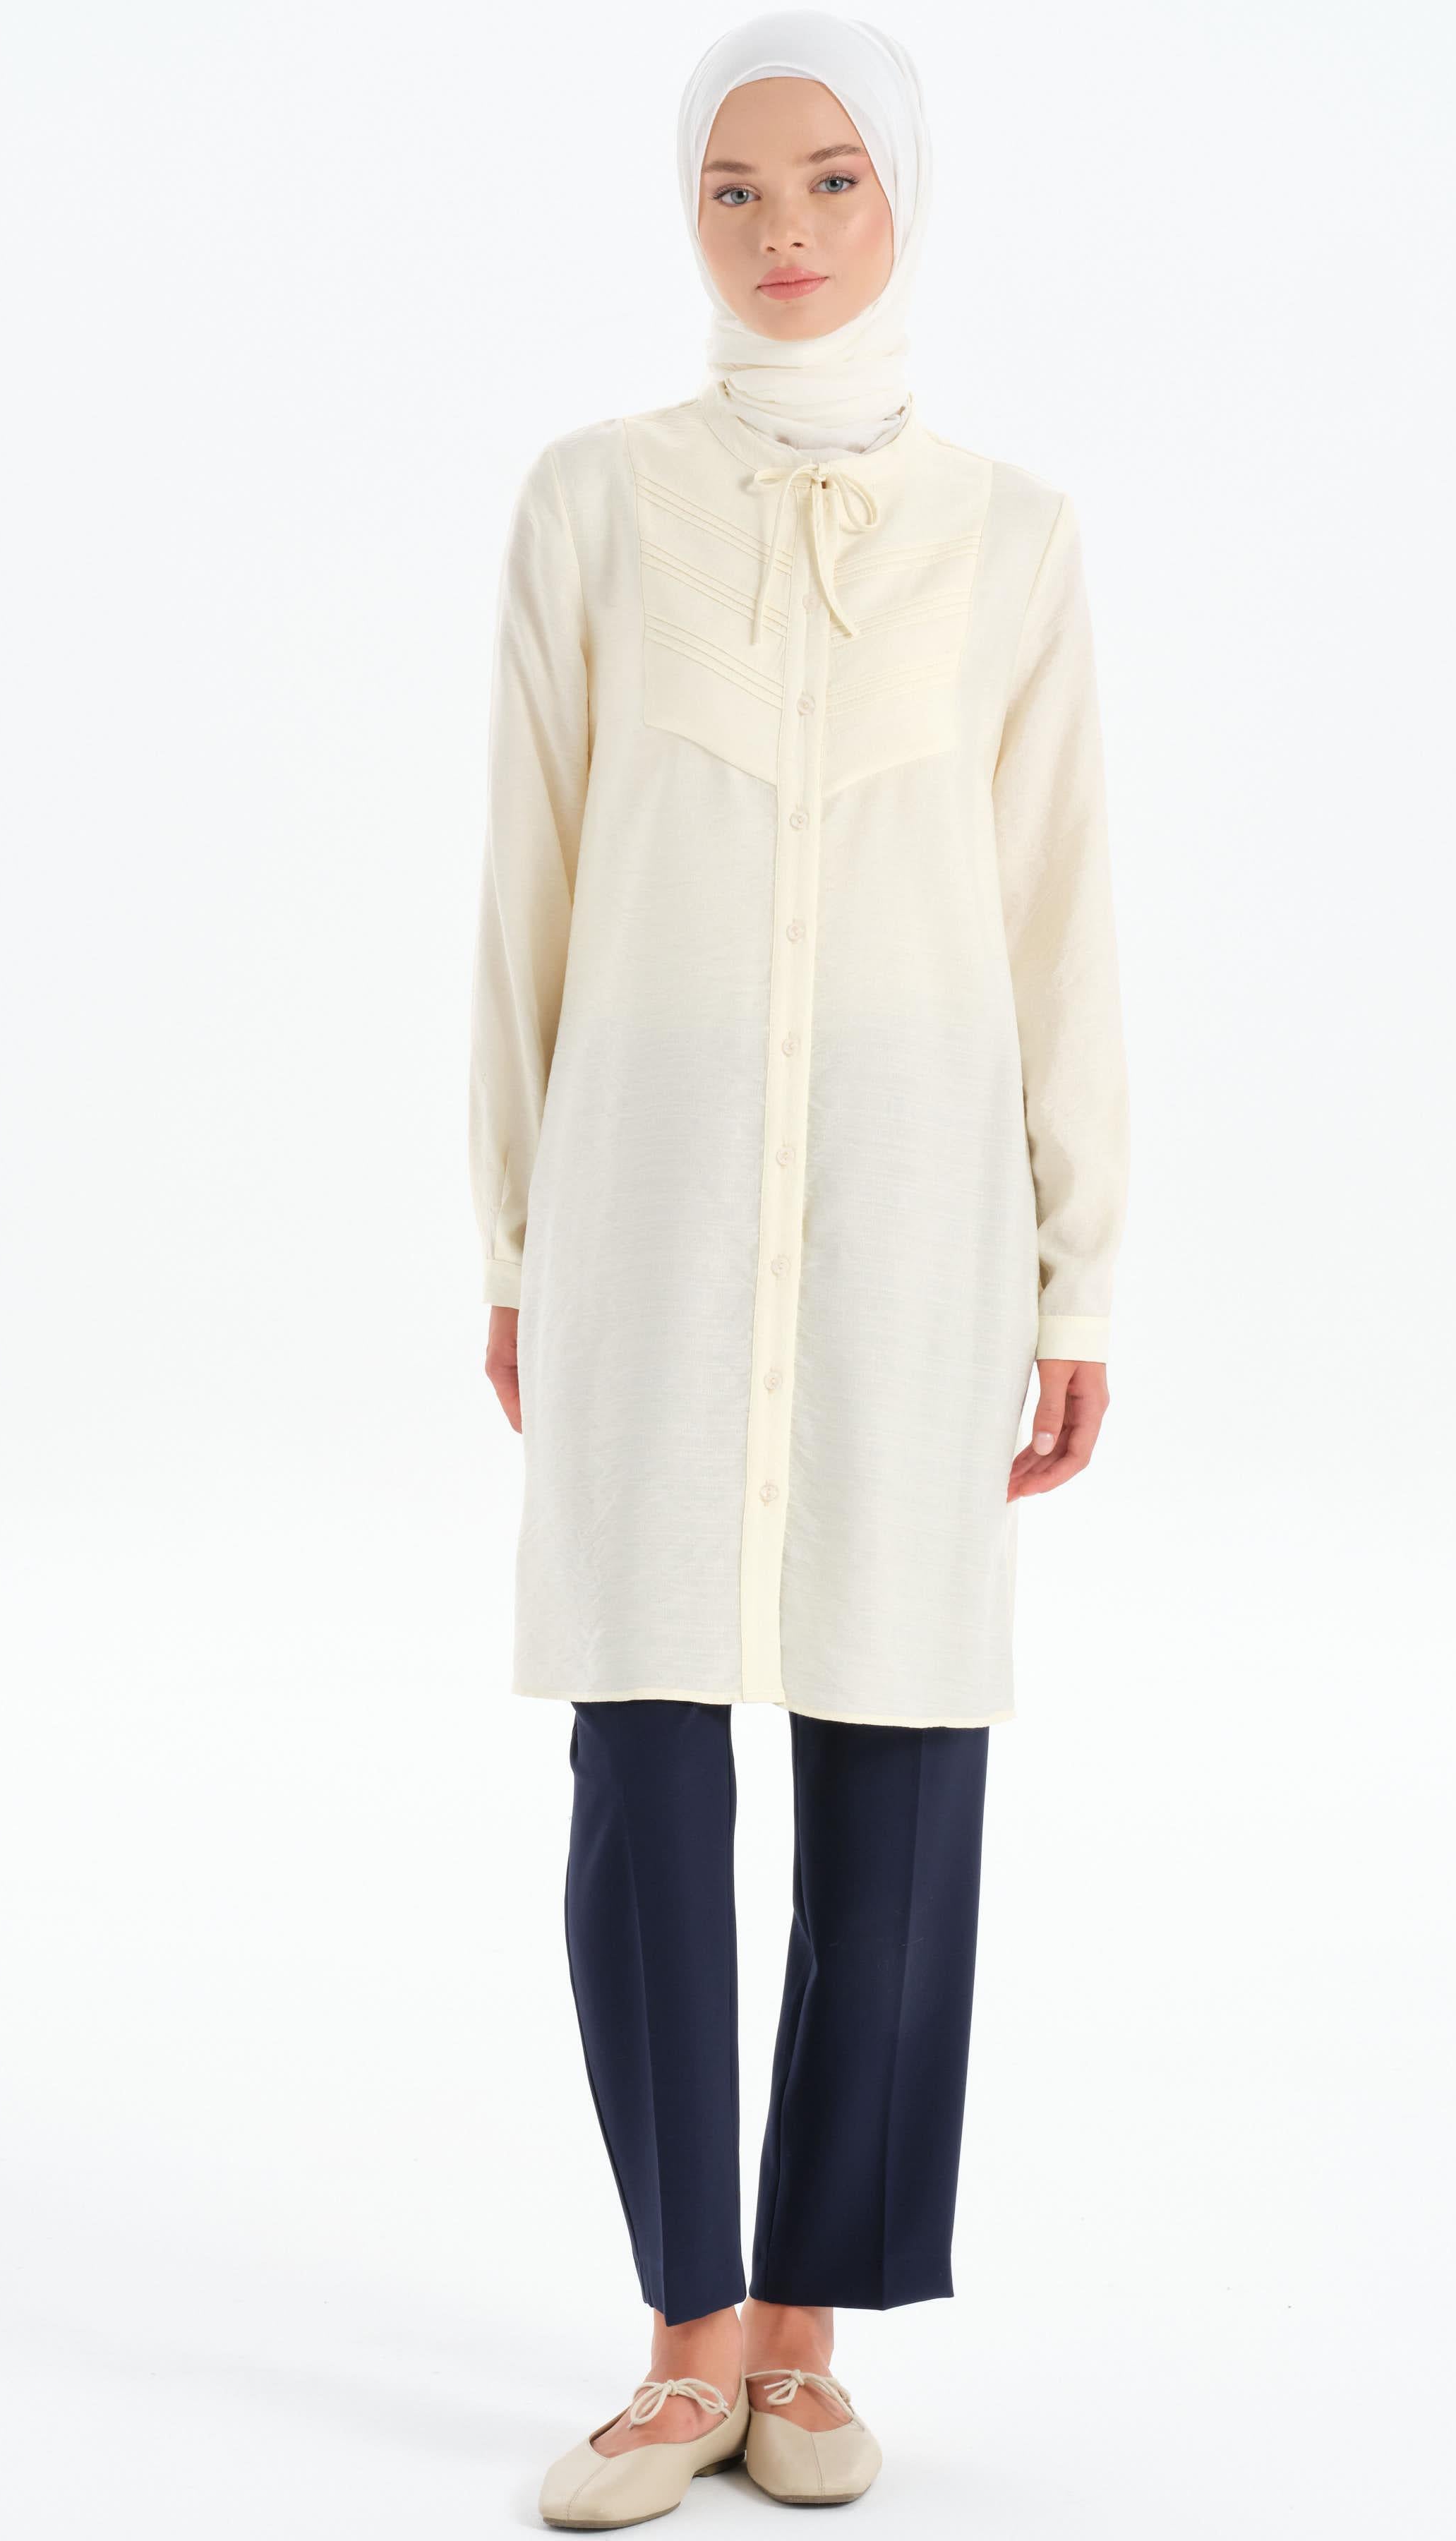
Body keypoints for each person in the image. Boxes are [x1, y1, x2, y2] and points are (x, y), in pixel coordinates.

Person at [468, 11, 1129, 2526]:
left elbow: (1061, 915)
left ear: (903, 197)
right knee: (643, 1753)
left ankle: (812, 2335)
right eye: (736, 186)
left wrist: (1077, 1278)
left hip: (917, 1211)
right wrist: (513, 1228)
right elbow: (524, 882)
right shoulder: (592, 503)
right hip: (645, 1200)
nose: (784, 229)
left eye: (832, 178)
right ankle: (681, 2337)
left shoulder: (1016, 537)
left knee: (898, 1746)